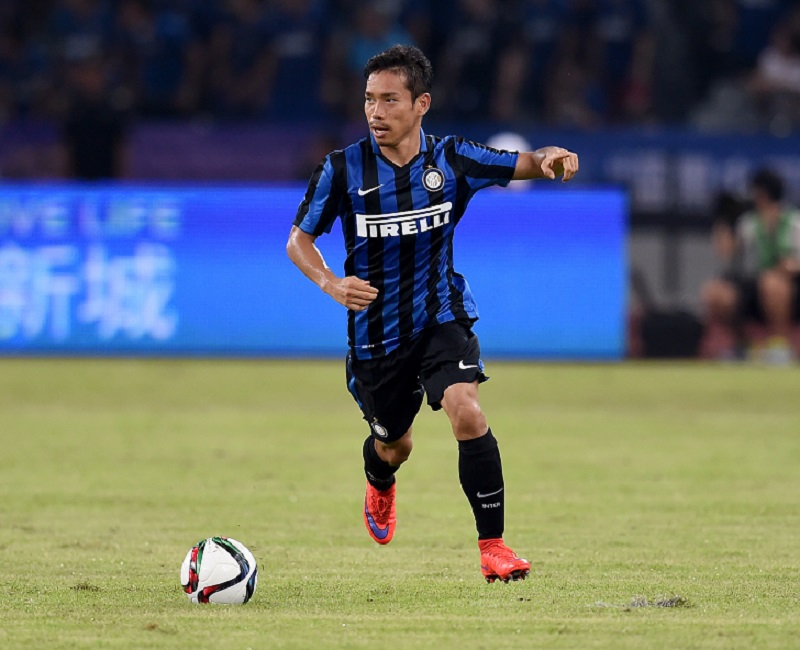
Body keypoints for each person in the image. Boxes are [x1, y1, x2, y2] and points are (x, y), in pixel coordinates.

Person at [286, 44, 579, 583]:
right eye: (369, 99)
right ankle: (380, 479)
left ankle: (493, 547)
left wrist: (548, 158)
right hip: (377, 336)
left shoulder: (452, 159)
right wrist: (330, 282)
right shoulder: (341, 168)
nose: (376, 112)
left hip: (442, 316)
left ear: (421, 104)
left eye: (389, 100)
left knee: (466, 410)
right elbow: (298, 240)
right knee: (394, 444)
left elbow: (524, 162)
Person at [701, 168, 800, 364]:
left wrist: (790, 267)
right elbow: (726, 252)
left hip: (791, 288)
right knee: (716, 293)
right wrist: (724, 218)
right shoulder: (751, 222)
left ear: (763, 194)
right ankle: (743, 345)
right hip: (757, 286)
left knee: (772, 284)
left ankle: (780, 344)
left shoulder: (794, 222)